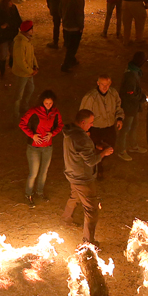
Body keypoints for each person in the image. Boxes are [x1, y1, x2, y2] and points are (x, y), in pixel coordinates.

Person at [62, 109, 110, 245]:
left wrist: (94, 147)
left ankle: (66, 219)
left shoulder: (70, 132)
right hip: (82, 178)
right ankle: (88, 242)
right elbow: (91, 161)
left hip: (72, 173)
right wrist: (104, 153)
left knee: (74, 196)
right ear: (83, 122)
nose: (92, 125)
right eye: (90, 123)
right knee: (91, 209)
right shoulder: (82, 138)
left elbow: (80, 152)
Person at [19, 90, 62, 207]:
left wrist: (52, 134)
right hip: (34, 147)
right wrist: (32, 135)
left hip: (48, 146)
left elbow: (60, 125)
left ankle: (40, 192)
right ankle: (28, 194)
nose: (48, 105)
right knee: (33, 172)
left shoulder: (55, 112)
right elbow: (22, 123)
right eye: (46, 103)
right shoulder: (34, 111)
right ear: (42, 102)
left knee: (44, 172)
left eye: (50, 103)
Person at [80, 76, 125, 176]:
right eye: (102, 84)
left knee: (109, 148)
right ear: (98, 83)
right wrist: (85, 130)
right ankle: (97, 168)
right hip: (95, 128)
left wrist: (119, 118)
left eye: (107, 84)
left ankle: (99, 164)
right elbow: (83, 114)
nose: (105, 87)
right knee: (97, 149)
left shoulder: (113, 94)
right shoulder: (90, 97)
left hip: (109, 127)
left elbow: (118, 106)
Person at [10, 20, 39, 120]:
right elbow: (20, 61)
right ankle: (15, 113)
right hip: (22, 73)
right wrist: (31, 71)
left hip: (28, 72)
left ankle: (24, 106)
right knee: (18, 94)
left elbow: (32, 55)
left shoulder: (27, 40)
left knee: (30, 88)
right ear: (28, 30)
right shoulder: (21, 43)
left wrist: (35, 66)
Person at [0, 0, 22, 78]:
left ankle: (12, 68)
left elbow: (18, 20)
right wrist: (0, 26)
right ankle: (2, 72)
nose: (12, 3)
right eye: (10, 1)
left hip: (12, 34)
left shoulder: (13, 9)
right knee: (3, 55)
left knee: (13, 53)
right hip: (3, 36)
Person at [60, 0, 86, 72]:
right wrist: (81, 26)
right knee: (72, 48)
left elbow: (60, 9)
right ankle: (65, 66)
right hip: (74, 27)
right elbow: (79, 14)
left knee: (69, 45)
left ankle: (73, 60)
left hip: (66, 25)